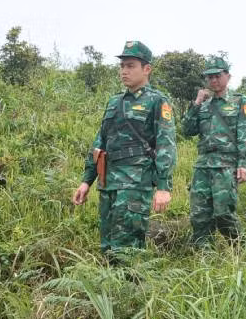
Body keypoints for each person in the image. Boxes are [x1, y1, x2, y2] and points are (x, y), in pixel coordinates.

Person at [72, 41, 176, 255]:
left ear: (147, 69)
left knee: (126, 249)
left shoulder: (157, 101)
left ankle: (132, 286)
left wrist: (164, 186)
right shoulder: (113, 102)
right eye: (122, 66)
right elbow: (99, 142)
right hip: (108, 183)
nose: (124, 71)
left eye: (130, 66)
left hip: (135, 184)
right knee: (107, 246)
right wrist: (86, 181)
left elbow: (166, 144)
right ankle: (111, 287)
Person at [182, 57, 246, 247]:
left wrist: (244, 165)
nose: (213, 80)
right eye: (209, 77)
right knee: (199, 215)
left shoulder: (239, 101)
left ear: (227, 76)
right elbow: (187, 130)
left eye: (217, 76)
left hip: (226, 165)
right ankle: (205, 256)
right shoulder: (203, 105)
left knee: (223, 213)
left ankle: (241, 249)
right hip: (203, 166)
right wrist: (196, 103)